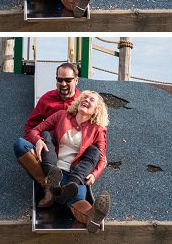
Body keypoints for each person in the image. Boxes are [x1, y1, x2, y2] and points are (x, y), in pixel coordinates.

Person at [21, 90, 111, 234]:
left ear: (96, 109)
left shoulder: (97, 129)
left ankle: (92, 216)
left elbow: (101, 157)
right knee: (45, 135)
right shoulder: (62, 115)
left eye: (91, 100)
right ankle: (54, 184)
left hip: (76, 174)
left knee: (93, 153)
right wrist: (38, 140)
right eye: (85, 97)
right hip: (56, 167)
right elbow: (35, 130)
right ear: (78, 101)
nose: (86, 100)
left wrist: (94, 174)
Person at [16, 63, 101, 208]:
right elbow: (31, 127)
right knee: (20, 144)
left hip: (72, 159)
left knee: (77, 197)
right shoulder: (47, 99)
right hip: (49, 151)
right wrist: (37, 142)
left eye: (68, 80)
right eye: (59, 79)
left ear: (76, 80)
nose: (63, 84)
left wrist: (94, 173)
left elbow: (100, 147)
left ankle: (86, 210)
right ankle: (48, 186)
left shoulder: (83, 102)